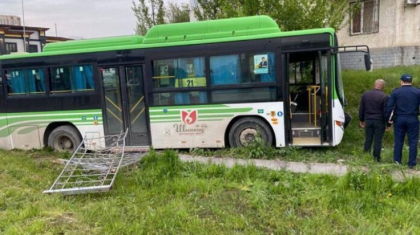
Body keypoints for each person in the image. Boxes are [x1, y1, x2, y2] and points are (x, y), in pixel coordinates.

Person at [385, 74, 420, 169]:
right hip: (413, 118)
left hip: (399, 118)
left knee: (398, 141)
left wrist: (388, 120)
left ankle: (397, 161)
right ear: (411, 82)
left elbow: (390, 107)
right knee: (413, 141)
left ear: (401, 82)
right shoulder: (417, 92)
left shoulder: (396, 92)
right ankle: (412, 163)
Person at [359, 79, 388, 162]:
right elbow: (385, 112)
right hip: (379, 121)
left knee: (368, 138)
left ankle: (366, 156)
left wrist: (361, 120)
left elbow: (362, 109)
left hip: (368, 119)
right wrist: (387, 123)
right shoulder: (384, 96)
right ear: (383, 86)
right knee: (378, 140)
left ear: (374, 84)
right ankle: (376, 158)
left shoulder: (365, 95)